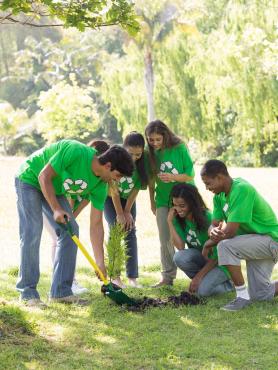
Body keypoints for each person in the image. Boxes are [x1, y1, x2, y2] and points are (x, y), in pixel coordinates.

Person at [15, 139, 134, 308]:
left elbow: (96, 224)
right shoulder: (75, 151)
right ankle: (28, 294)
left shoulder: (101, 183)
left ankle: (60, 292)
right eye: (118, 176)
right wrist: (56, 208)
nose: (118, 181)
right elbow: (44, 176)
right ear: (108, 165)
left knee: (71, 231)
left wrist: (99, 262)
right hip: (30, 178)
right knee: (32, 232)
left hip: (54, 189)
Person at [201, 159, 278, 311]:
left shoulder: (242, 189)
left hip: (271, 241)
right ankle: (249, 295)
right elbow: (214, 224)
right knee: (261, 295)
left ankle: (242, 297)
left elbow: (229, 232)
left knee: (225, 246)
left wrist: (208, 243)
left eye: (208, 183)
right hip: (254, 243)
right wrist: (212, 231)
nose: (207, 188)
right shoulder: (218, 197)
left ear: (220, 177)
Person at [43, 140, 110, 296]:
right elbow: (59, 188)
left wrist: (100, 262)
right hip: (50, 200)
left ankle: (67, 283)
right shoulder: (73, 163)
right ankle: (67, 283)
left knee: (68, 234)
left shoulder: (95, 183)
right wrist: (61, 212)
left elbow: (90, 217)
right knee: (59, 238)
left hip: (64, 210)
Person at [145, 120, 195, 287]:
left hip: (185, 199)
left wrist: (173, 177)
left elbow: (190, 174)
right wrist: (152, 202)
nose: (155, 143)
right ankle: (167, 277)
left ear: (165, 136)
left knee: (193, 235)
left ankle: (203, 272)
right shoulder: (149, 153)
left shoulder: (179, 147)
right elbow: (151, 181)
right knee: (165, 238)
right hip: (163, 201)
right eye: (151, 140)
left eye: (158, 139)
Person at [167, 183, 233, 296]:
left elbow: (217, 256)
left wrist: (198, 277)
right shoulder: (178, 218)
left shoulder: (208, 218)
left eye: (182, 205)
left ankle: (230, 285)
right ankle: (205, 281)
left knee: (202, 292)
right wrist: (170, 222)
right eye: (175, 205)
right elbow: (180, 247)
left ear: (192, 204)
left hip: (221, 263)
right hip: (204, 260)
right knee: (179, 257)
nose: (178, 209)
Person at [104, 132, 148, 288]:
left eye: (138, 154)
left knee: (130, 230)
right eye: (131, 153)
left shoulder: (142, 165)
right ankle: (115, 277)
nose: (134, 157)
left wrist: (127, 211)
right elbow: (114, 190)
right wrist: (120, 214)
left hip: (128, 200)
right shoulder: (115, 161)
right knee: (116, 229)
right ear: (124, 148)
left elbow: (136, 188)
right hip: (110, 199)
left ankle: (132, 277)